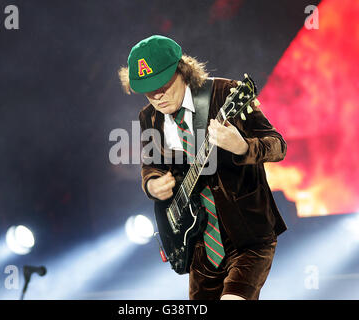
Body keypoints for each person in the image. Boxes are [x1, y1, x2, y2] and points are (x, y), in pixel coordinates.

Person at [118, 35, 287, 300]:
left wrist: (242, 147)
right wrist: (152, 184)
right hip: (200, 246)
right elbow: (150, 164)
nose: (157, 96)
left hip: (247, 237)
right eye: (148, 90)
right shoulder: (149, 117)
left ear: (182, 69)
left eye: (162, 84)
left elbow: (278, 145)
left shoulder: (225, 93)